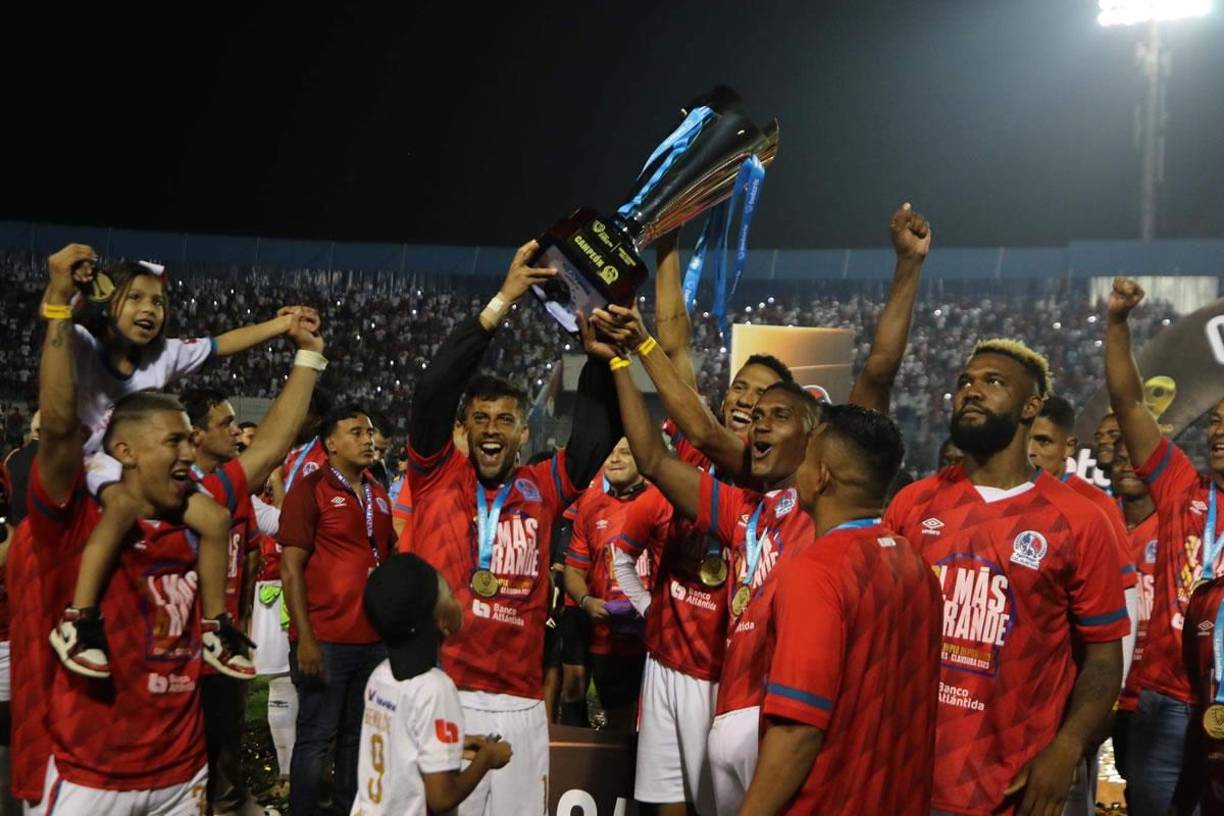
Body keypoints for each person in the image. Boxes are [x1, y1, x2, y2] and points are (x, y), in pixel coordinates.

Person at [593, 202, 929, 815]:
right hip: (731, 703)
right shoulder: (746, 511)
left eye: (779, 415)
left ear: (817, 441)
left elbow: (880, 371)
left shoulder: (825, 515)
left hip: (782, 716)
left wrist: (906, 267)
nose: (758, 423)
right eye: (755, 409)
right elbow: (654, 458)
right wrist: (620, 358)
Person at [405, 241, 620, 815]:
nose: (492, 430)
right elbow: (431, 391)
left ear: (524, 432)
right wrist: (502, 301)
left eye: (505, 419)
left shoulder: (542, 486)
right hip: (446, 692)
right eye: (481, 419)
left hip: (523, 703)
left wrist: (598, 358)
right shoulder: (434, 474)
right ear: (464, 429)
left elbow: (595, 439)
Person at [886, 338, 1128, 816]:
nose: (972, 391)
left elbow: (1103, 658)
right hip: (906, 774)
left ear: (1030, 406)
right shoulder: (912, 505)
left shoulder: (1080, 519)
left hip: (1015, 785)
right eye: (965, 382)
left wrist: (1067, 749)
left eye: (993, 382)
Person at [46, 245, 312, 681]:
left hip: (147, 465)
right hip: (100, 460)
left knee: (213, 517)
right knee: (121, 507)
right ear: (106, 303)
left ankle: (213, 626)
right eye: (134, 298)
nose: (149, 308)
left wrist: (281, 326)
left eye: (157, 301)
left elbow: (224, 343)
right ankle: (79, 617)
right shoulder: (81, 344)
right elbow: (63, 321)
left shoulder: (165, 354)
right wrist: (70, 289)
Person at [739, 404, 941, 815]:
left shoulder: (816, 574)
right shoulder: (915, 565)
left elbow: (798, 729)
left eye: (807, 459)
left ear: (823, 476)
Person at [178, 314, 324, 816]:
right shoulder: (166, 497)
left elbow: (268, 454)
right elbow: (268, 449)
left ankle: (228, 799)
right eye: (223, 423)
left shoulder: (223, 489)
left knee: (224, 750)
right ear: (193, 436)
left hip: (223, 644)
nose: (235, 429)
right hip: (177, 658)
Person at [1103, 277, 1224, 815]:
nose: (1218, 432)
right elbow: (1129, 405)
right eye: (1215, 422)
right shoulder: (1181, 487)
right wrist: (1117, 325)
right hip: (1166, 701)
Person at [279, 405, 396, 816]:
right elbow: (290, 568)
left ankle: (349, 809)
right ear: (330, 443)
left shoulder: (378, 494)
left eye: (369, 432)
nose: (368, 439)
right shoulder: (310, 489)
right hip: (325, 640)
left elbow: (386, 555)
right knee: (316, 738)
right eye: (356, 432)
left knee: (357, 737)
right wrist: (305, 638)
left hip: (372, 642)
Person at [351, 553, 513, 814]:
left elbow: (402, 740)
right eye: (449, 595)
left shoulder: (380, 676)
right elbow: (441, 797)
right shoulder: (435, 688)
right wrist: (487, 758)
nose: (457, 601)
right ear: (439, 621)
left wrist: (456, 745)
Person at [563, 439, 672, 730]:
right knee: (620, 731)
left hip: (658, 639)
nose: (615, 459)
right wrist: (586, 602)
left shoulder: (666, 500)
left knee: (658, 727)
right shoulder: (590, 505)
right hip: (609, 639)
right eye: (609, 452)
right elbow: (573, 569)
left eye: (625, 451)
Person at [1110, 440, 1160, 802]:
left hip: (1149, 694)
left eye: (1134, 456)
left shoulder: (1175, 526)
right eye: (1119, 457)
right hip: (1101, 690)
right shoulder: (1097, 519)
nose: (1126, 464)